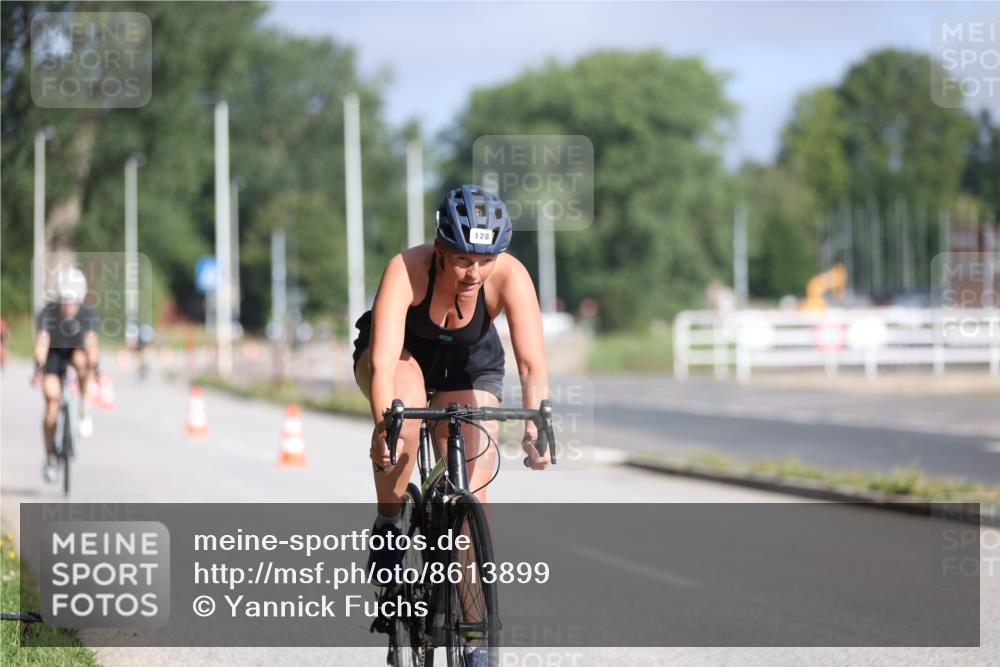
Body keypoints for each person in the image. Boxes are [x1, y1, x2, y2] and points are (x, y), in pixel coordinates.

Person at [31, 267, 100, 482]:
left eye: (73, 301)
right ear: (59, 299)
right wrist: (39, 367)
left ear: (80, 299)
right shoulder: (48, 313)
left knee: (83, 362)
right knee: (51, 403)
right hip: (54, 356)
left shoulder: (87, 313)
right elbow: (42, 340)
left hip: (76, 352)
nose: (69, 306)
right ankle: (50, 455)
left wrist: (94, 366)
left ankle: (83, 409)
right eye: (65, 301)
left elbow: (91, 343)